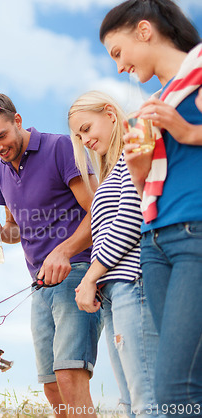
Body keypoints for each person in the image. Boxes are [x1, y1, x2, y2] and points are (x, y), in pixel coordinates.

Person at [101, 0, 202, 414]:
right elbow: (148, 185)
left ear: (144, 31)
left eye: (118, 53)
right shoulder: (153, 103)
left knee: (174, 387)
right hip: (155, 242)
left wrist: (188, 131)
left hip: (193, 236)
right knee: (183, 380)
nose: (119, 67)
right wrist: (139, 166)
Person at [0, 93, 101, 418]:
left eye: (1, 136)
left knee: (70, 373)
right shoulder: (0, 172)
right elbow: (15, 231)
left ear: (18, 121)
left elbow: (99, 208)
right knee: (51, 384)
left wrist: (64, 250)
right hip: (39, 285)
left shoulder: (60, 148)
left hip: (78, 272)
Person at [68, 91, 160, 417]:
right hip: (113, 291)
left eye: (87, 128)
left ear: (110, 113)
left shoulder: (130, 157)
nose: (85, 140)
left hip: (133, 283)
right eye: (79, 136)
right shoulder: (110, 171)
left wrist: (90, 276)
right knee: (129, 400)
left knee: (146, 395)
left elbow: (130, 220)